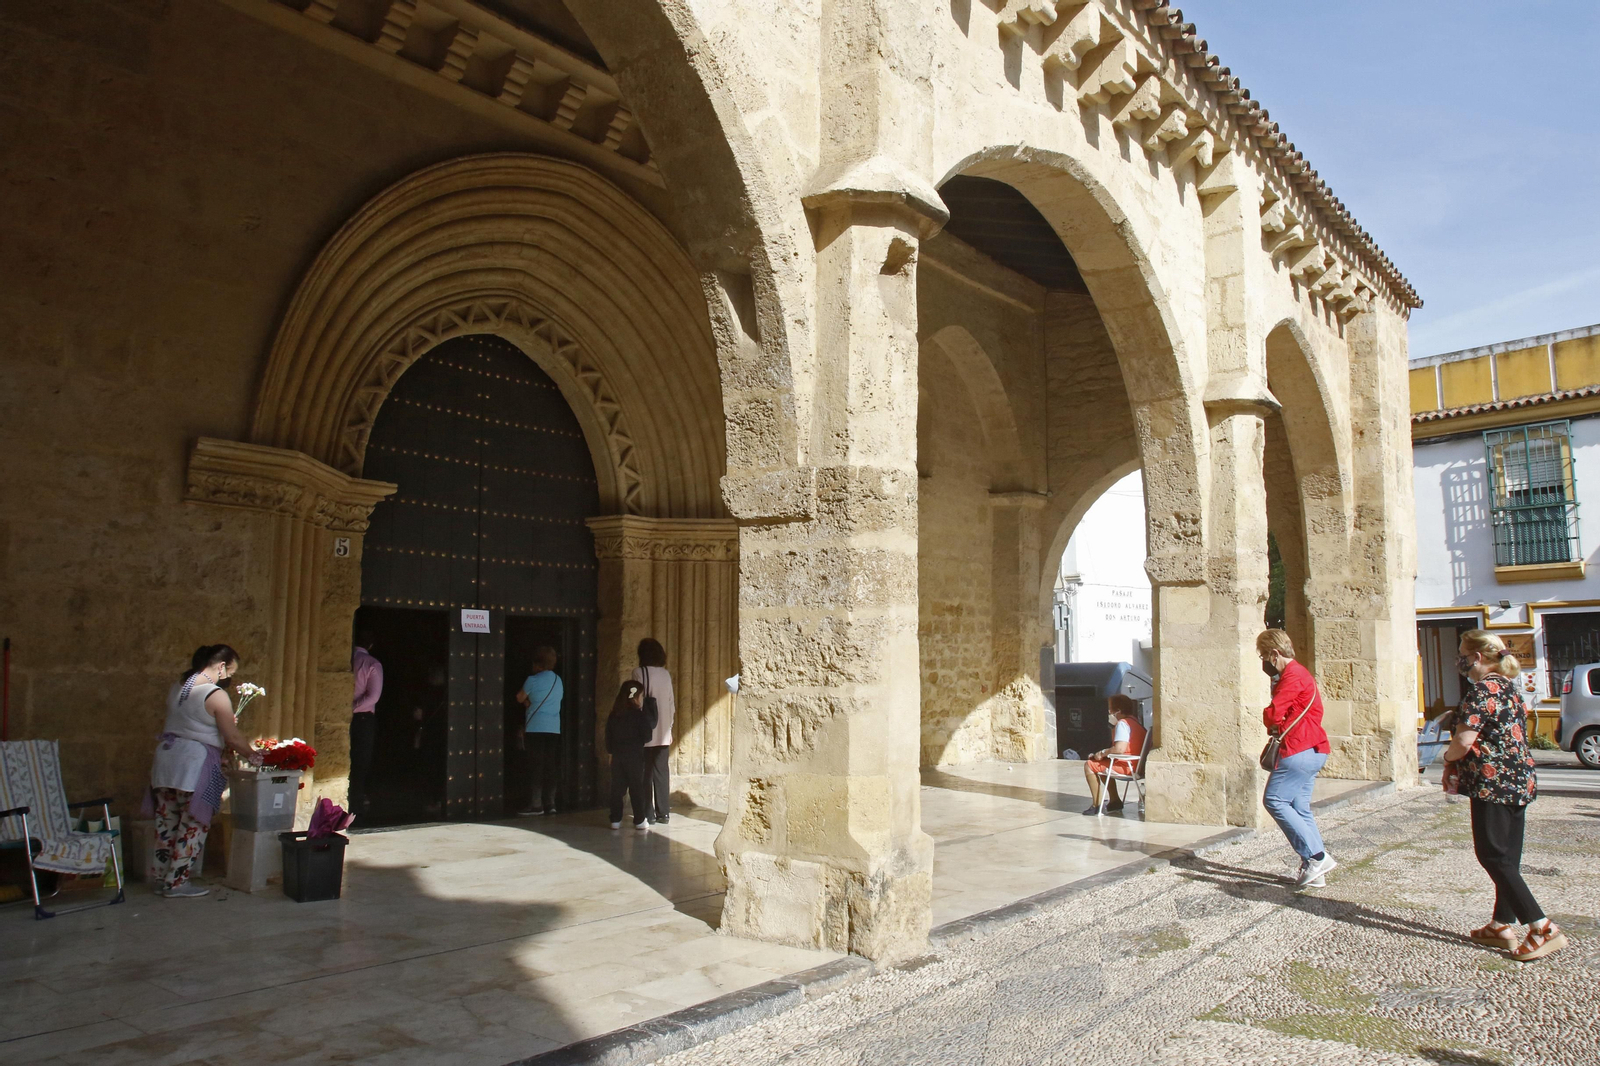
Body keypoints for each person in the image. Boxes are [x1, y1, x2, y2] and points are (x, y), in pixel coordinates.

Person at [1442, 630, 1567, 961]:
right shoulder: (1509, 688)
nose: (1461, 662)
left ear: (1477, 658)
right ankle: (1501, 925)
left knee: (1493, 856)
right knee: (1508, 857)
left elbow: (1463, 742)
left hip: (1492, 783)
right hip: (1519, 780)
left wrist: (1447, 759)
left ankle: (1541, 927)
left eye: (1462, 655)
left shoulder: (1481, 691)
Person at [145, 645, 262, 898]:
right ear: (220, 666)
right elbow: (231, 737)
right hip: (192, 765)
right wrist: (256, 757)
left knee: (167, 822)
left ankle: (161, 878)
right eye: (229, 671)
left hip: (165, 762)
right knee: (192, 824)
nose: (227, 677)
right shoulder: (215, 694)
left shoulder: (179, 686)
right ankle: (177, 883)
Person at [1258, 628, 1335, 890]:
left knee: (1275, 800)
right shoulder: (1303, 674)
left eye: (1264, 656)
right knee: (1301, 808)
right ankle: (1315, 870)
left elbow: (1273, 715)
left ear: (1275, 653)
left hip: (1298, 748)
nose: (1264, 662)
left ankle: (1316, 857)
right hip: (1316, 748)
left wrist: (1269, 712)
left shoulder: (1292, 676)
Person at [515, 645, 564, 815]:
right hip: (554, 729)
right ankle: (550, 803)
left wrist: (528, 703)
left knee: (536, 765)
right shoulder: (558, 680)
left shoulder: (532, 680)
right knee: (550, 765)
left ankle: (536, 805)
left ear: (538, 664)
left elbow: (520, 697)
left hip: (536, 727)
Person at [632, 638, 675, 824]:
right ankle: (663, 812)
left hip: (645, 730)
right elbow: (671, 703)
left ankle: (647, 813)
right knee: (661, 771)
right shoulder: (665, 674)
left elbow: (634, 700)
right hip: (663, 730)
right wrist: (669, 726)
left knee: (644, 773)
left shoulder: (638, 672)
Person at [1083, 695, 1146, 815]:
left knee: (1089, 765)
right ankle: (1114, 800)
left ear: (1118, 711)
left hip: (1127, 767)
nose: (1109, 712)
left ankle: (1097, 805)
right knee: (1099, 763)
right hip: (1137, 765)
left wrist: (1103, 753)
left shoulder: (1123, 724)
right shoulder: (1135, 722)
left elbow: (1120, 749)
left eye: (1111, 709)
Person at [605, 679, 655, 831]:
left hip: (618, 756)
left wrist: (611, 752)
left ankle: (615, 819)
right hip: (634, 756)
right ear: (635, 697)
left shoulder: (614, 714)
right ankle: (639, 820)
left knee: (617, 789)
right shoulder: (638, 716)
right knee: (636, 788)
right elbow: (647, 736)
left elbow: (608, 736)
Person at [349, 631, 383, 815]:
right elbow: (373, 697)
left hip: (345, 718)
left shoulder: (348, 660)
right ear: (370, 645)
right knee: (360, 760)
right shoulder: (372, 663)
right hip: (362, 719)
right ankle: (356, 800)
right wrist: (353, 709)